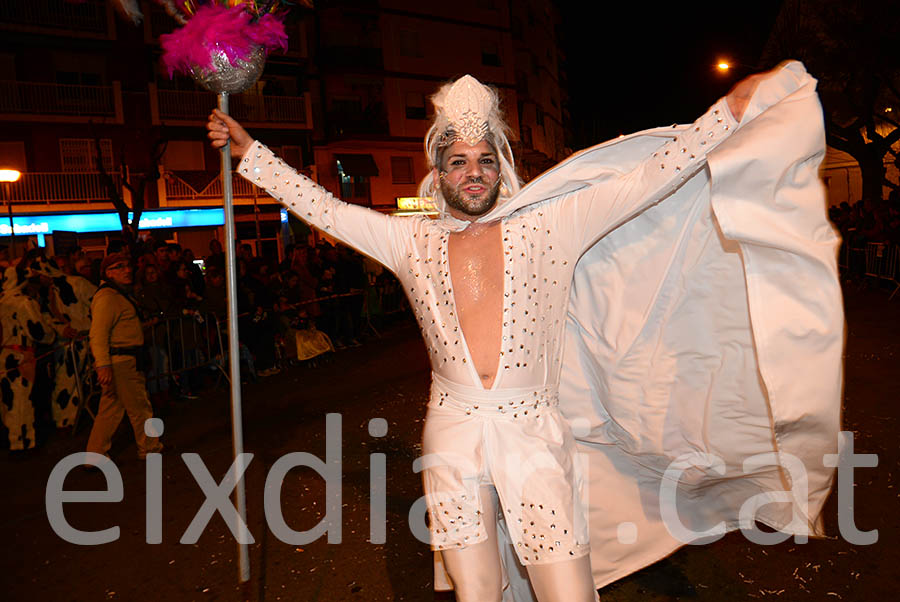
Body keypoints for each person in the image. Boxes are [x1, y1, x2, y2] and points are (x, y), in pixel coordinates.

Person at [208, 63, 843, 601]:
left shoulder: (552, 225)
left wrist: (728, 114)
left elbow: (651, 177)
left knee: (568, 590)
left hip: (534, 436)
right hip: (451, 437)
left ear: (502, 165)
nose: (473, 172)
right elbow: (327, 208)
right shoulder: (408, 239)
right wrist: (250, 155)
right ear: (438, 170)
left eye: (485, 158)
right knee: (475, 593)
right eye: (458, 161)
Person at [85, 253, 163, 464]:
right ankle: (149, 448)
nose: (127, 270)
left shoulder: (117, 295)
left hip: (122, 361)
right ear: (108, 273)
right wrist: (103, 365)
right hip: (122, 363)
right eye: (119, 267)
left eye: (128, 265)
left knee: (110, 411)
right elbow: (98, 334)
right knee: (140, 407)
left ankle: (94, 455)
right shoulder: (108, 297)